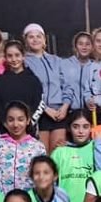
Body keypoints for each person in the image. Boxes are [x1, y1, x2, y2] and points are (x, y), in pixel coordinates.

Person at [52, 110, 101, 202]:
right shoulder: (59, 152)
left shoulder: (96, 148)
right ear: (69, 128)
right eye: (76, 127)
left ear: (91, 128)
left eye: (85, 127)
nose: (80, 131)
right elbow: (51, 184)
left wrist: (100, 145)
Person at [23, 23, 67, 152]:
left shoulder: (57, 61)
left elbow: (67, 86)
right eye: (31, 37)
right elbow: (28, 90)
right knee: (42, 154)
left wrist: (64, 107)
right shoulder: (24, 62)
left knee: (57, 154)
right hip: (39, 113)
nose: (35, 39)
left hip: (59, 113)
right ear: (25, 40)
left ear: (44, 40)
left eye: (38, 36)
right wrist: (45, 109)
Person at [0, 38, 44, 139]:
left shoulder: (33, 80)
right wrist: (5, 122)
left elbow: (39, 103)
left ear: (23, 56)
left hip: (28, 133)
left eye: (17, 55)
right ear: (5, 58)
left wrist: (28, 122)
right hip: (5, 133)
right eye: (9, 56)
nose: (14, 59)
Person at [0, 101, 46, 194]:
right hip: (0, 199)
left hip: (27, 201)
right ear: (5, 122)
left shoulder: (37, 147)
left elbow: (42, 175)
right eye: (11, 120)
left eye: (20, 119)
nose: (15, 124)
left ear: (28, 120)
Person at [61, 31, 93, 116]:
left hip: (89, 112)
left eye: (87, 44)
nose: (84, 47)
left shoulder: (95, 66)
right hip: (69, 111)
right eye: (80, 44)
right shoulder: (64, 64)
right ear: (75, 46)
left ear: (92, 47)